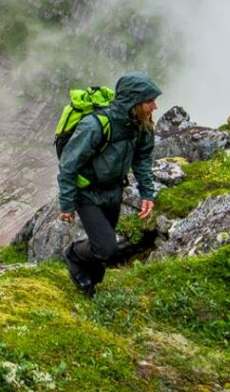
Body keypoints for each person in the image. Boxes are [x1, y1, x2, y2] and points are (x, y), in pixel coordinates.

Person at [57, 71, 161, 297]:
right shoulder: (95, 125)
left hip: (114, 191)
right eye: (149, 101)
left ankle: (90, 288)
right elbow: (68, 164)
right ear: (134, 101)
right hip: (87, 194)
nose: (155, 106)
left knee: (102, 248)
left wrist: (147, 195)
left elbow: (142, 159)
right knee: (106, 248)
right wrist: (67, 204)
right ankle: (73, 254)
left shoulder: (141, 126)